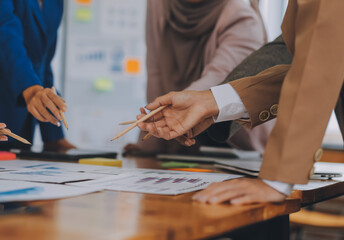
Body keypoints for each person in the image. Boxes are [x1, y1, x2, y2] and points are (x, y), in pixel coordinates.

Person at [137, 0, 344, 205]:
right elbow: (303, 62)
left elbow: (317, 65)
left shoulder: (238, 15)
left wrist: (276, 179)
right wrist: (213, 101)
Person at [126, 0, 273, 154]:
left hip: (234, 144)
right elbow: (155, 71)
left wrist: (172, 116)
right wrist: (150, 143)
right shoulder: (159, 5)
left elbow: (219, 77)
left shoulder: (242, 16)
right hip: (179, 135)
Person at [0, 0, 75, 151]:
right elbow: (3, 33)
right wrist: (32, 90)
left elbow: (43, 62)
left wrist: (53, 135)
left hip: (24, 121)